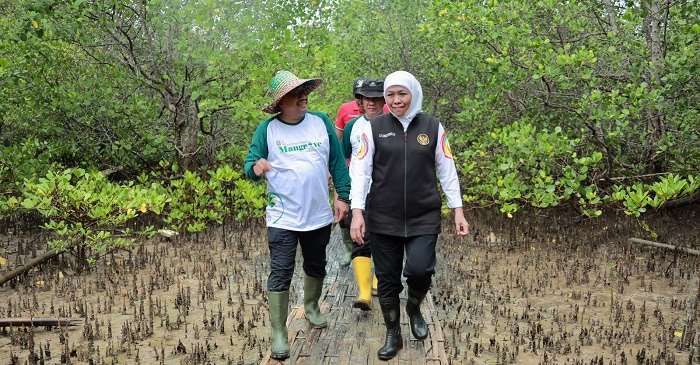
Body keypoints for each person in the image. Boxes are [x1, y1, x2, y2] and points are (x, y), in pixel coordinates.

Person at [349, 71, 469, 361]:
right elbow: (361, 173)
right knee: (388, 280)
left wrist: (458, 211)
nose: (396, 100)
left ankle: (414, 307)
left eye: (401, 94)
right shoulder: (373, 128)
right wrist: (357, 212)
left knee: (420, 269)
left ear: (413, 93)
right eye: (390, 95)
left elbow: (446, 170)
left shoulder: (433, 126)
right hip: (382, 217)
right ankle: (393, 333)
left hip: (423, 215)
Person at [244, 70, 351, 361]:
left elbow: (337, 161)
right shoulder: (267, 130)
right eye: (294, 94)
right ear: (281, 103)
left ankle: (312, 307)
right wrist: (256, 168)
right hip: (282, 216)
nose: (302, 97)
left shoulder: (322, 123)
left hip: (317, 214)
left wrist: (343, 195)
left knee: (317, 263)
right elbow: (249, 165)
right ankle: (279, 331)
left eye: (304, 91)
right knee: (281, 270)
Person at [341, 79, 385, 311]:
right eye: (367, 98)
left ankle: (378, 279)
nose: (372, 103)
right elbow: (344, 159)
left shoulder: (394, 124)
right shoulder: (352, 127)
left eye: (377, 98)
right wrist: (342, 194)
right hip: (359, 193)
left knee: (384, 239)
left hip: (387, 193)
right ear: (360, 100)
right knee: (360, 238)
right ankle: (364, 292)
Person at [334, 78, 366, 266]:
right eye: (359, 97)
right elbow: (338, 142)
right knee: (344, 215)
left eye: (366, 96)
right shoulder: (345, 110)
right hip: (349, 170)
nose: (363, 102)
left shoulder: (383, 109)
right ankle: (349, 249)